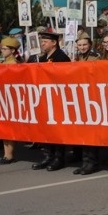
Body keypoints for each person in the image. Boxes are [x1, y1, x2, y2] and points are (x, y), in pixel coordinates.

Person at [29, 29, 71, 170]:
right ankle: (48, 156)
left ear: (54, 43)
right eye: (42, 41)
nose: (42, 44)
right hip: (44, 98)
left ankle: (59, 158)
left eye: (45, 42)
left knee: (57, 130)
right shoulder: (42, 58)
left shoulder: (61, 57)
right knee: (46, 129)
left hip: (57, 99)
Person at [0, 36, 23, 164]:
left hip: (10, 99)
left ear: (12, 50)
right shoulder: (4, 62)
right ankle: (6, 154)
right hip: (3, 98)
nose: (2, 51)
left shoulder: (13, 64)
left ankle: (9, 155)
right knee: (4, 128)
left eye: (5, 49)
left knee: (9, 128)